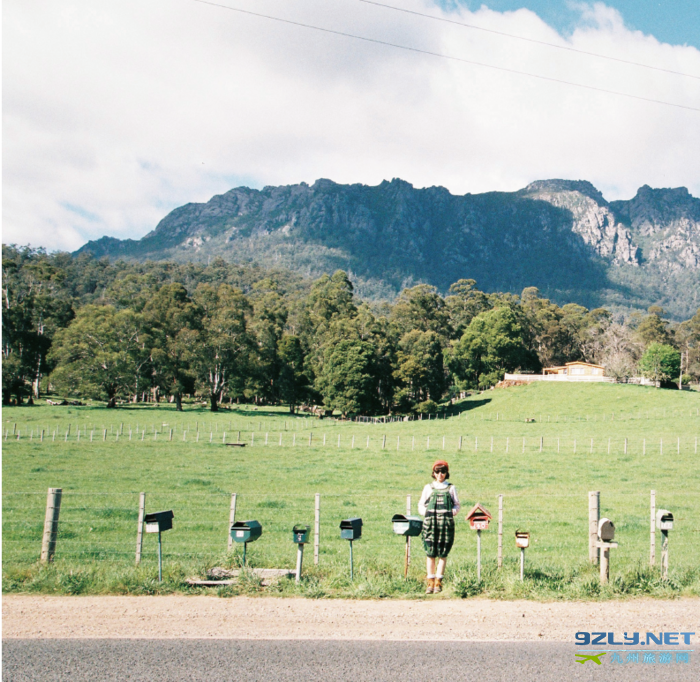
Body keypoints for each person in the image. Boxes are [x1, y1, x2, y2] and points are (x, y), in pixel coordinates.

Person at [418, 460, 460, 594]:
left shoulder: (451, 488)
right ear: (433, 473)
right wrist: (428, 513)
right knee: (430, 552)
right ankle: (429, 582)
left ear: (447, 473)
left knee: (443, 552)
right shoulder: (428, 488)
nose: (440, 475)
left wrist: (451, 512)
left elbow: (457, 505)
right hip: (430, 524)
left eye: (443, 472)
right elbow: (420, 505)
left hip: (445, 524)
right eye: (437, 472)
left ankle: (438, 582)